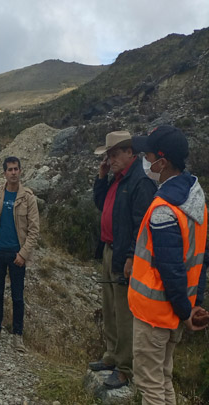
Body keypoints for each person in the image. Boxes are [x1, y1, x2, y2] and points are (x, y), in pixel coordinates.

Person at [128, 126, 209, 404]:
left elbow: (171, 268)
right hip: (174, 310)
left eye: (147, 156)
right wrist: (193, 301)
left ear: (162, 163)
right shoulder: (195, 196)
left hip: (156, 314)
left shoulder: (164, 208)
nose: (145, 161)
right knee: (163, 379)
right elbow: (201, 255)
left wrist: (186, 310)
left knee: (150, 385)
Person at [90, 131, 156, 389]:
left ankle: (125, 368)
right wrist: (102, 177)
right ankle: (111, 355)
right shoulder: (117, 179)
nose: (111, 158)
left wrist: (130, 256)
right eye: (108, 154)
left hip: (125, 255)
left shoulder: (140, 181)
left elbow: (142, 224)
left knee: (125, 312)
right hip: (109, 250)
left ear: (131, 152)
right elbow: (100, 204)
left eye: (115, 153)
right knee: (110, 307)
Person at [0, 157, 39, 353]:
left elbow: (34, 230)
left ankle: (17, 336)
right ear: (4, 173)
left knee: (17, 296)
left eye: (16, 169)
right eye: (10, 169)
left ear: (20, 171)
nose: (13, 172)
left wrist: (23, 254)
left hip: (17, 255)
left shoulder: (28, 197)